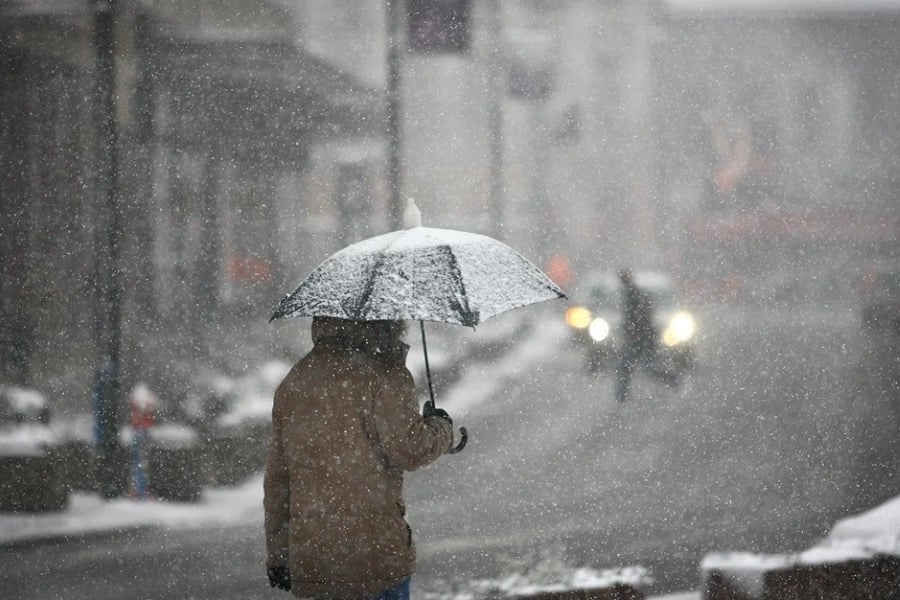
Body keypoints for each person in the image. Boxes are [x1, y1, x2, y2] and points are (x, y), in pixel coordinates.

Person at [264, 316, 454, 600]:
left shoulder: (297, 379)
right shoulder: (386, 374)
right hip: (375, 558)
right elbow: (411, 450)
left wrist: (279, 554)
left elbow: (278, 480)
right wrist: (441, 428)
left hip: (314, 561)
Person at [614, 268, 678, 403]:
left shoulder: (634, 295)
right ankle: (621, 396)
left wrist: (635, 332)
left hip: (641, 339)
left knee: (637, 367)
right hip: (641, 338)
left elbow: (640, 319)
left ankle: (673, 379)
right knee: (631, 366)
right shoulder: (632, 295)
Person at [129, 383, 158, 500]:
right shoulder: (149, 399)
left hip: (139, 432)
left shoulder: (137, 399)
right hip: (145, 431)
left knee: (138, 462)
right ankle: (142, 489)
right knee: (143, 462)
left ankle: (139, 489)